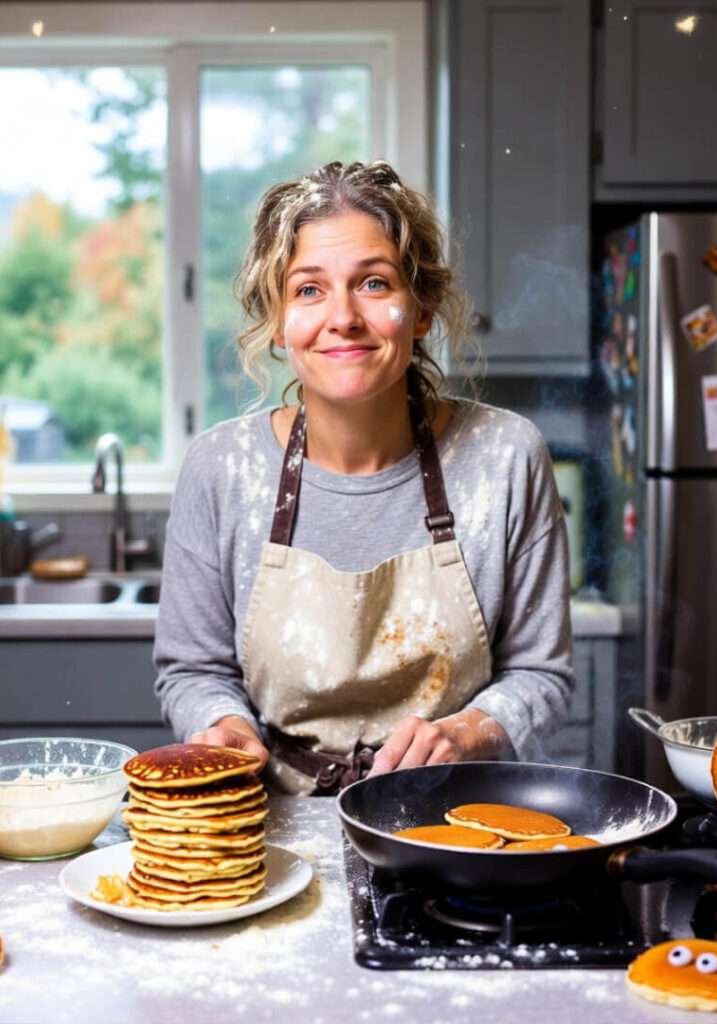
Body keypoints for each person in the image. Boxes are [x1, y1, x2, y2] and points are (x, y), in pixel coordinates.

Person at [154, 160, 573, 794]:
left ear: (423, 308)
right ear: (278, 320)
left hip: (457, 821)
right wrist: (224, 725)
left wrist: (470, 731)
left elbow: (542, 674)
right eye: (309, 289)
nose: (343, 316)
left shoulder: (506, 456)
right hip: (277, 826)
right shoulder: (221, 467)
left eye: (374, 284)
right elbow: (193, 669)